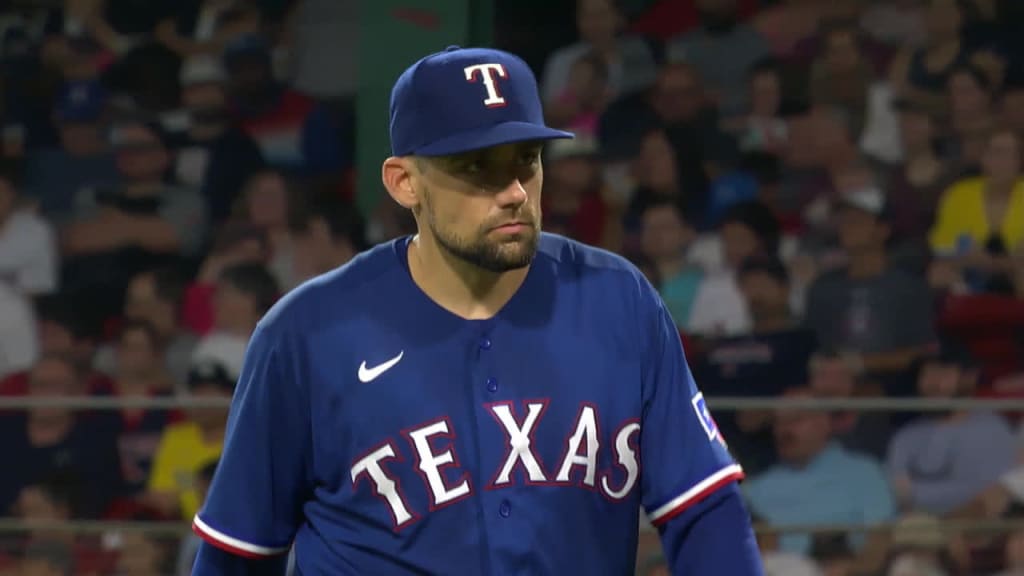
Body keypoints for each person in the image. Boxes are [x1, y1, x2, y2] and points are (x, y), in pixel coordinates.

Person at [190, 45, 760, 575]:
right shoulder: (306, 333)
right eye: (475, 167)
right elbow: (237, 551)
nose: (513, 190)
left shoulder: (617, 300)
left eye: (526, 160)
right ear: (404, 182)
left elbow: (704, 506)